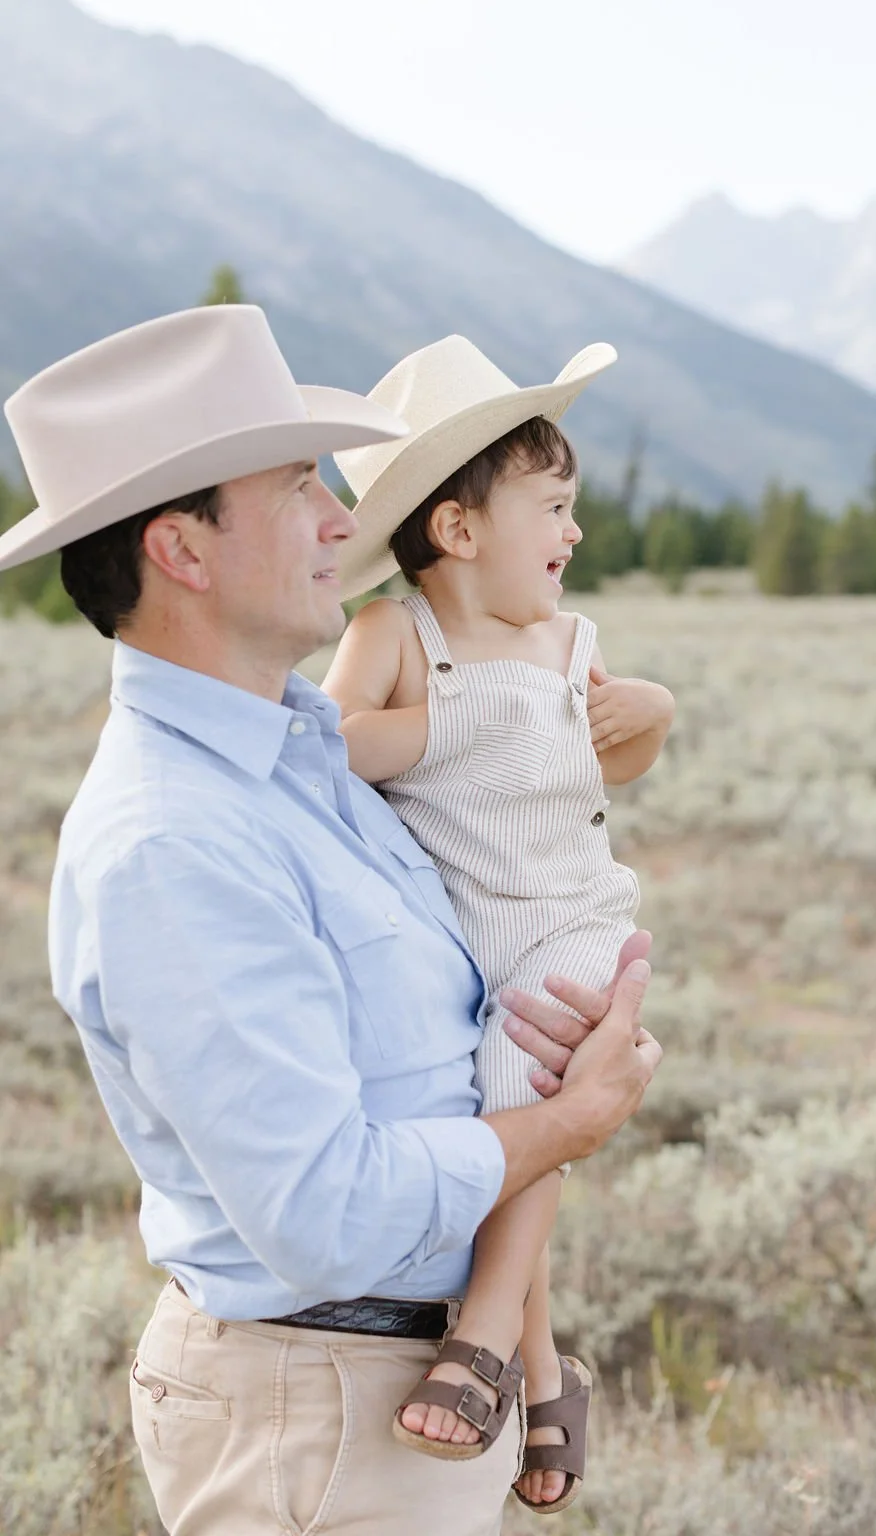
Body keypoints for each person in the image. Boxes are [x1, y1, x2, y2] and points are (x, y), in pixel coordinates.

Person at [0, 304, 662, 1536]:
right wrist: (568, 1121)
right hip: (318, 1420)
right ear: (183, 552)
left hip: (374, 1403)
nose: (345, 520)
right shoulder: (173, 839)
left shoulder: (304, 760)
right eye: (300, 485)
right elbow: (326, 1212)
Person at [321, 334, 674, 1513]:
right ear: (460, 533)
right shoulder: (390, 639)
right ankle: (542, 1367)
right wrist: (437, 734)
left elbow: (606, 768)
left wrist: (654, 708)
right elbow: (317, 753)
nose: (574, 533)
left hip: (570, 924)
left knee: (519, 1079)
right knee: (490, 1099)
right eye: (554, 507)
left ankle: (483, 1339)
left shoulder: (571, 648)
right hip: (463, 935)